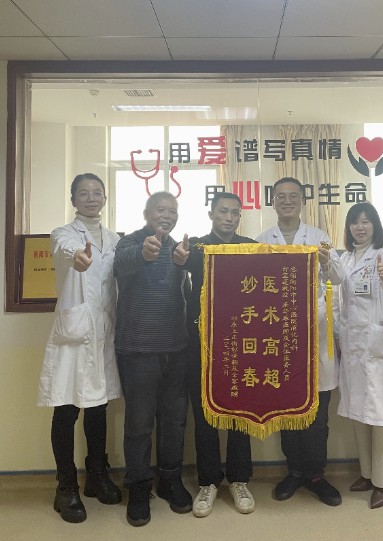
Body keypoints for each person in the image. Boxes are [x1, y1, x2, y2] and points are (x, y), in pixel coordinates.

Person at [38, 173, 122, 523]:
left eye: (97, 192)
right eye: (83, 193)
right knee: (67, 408)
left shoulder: (114, 239)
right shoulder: (64, 233)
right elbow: (66, 252)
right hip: (74, 335)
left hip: (103, 332)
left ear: (105, 199)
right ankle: (66, 486)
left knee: (98, 407)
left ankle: (97, 476)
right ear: (73, 200)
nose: (91, 198)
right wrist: (78, 258)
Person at [256, 177, 342, 507]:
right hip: (279, 337)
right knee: (287, 409)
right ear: (273, 202)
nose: (287, 201)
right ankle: (294, 471)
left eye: (293, 196)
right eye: (281, 196)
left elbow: (338, 279)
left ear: (303, 201)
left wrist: (327, 261)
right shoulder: (262, 241)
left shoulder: (319, 238)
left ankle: (316, 474)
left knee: (318, 415)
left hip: (315, 335)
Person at [172, 192, 255, 518]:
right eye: (223, 212)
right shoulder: (197, 248)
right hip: (202, 342)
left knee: (240, 413)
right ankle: (208, 482)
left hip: (242, 344)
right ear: (211, 214)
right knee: (205, 412)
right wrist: (179, 258)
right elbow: (181, 262)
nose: (229, 218)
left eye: (235, 213)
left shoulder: (250, 247)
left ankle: (239, 479)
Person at [114, 191, 191, 527]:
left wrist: (185, 262)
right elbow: (122, 265)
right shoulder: (131, 242)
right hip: (138, 350)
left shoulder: (180, 248)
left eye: (172, 211)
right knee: (139, 424)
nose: (167, 215)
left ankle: (170, 480)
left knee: (174, 420)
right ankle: (139, 486)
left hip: (176, 349)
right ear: (146, 213)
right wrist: (144, 254)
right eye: (160, 209)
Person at [337, 203, 383, 509]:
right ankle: (367, 473)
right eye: (355, 223)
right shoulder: (345, 258)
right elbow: (338, 293)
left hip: (379, 347)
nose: (360, 227)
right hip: (353, 347)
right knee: (360, 413)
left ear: (375, 226)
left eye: (366, 222)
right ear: (349, 228)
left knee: (382, 415)